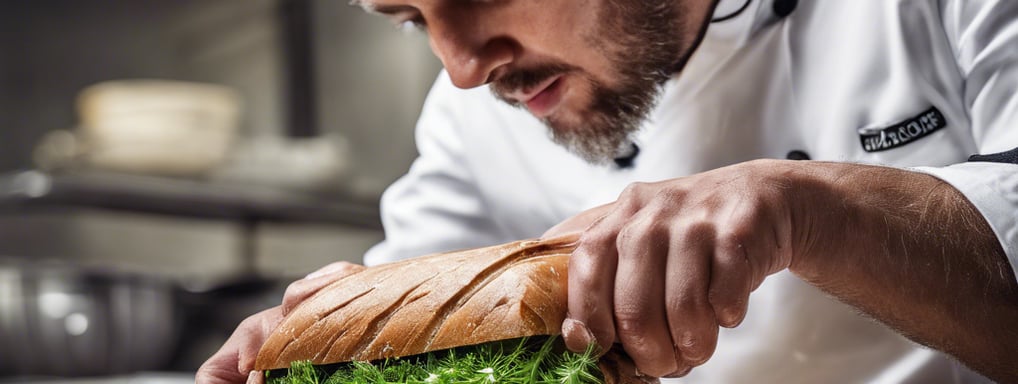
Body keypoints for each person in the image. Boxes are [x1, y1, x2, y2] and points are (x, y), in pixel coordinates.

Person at [197, 0, 1018, 383]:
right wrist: (325, 345)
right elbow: (417, 320)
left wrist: (810, 212)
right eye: (413, 20)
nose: (462, 68)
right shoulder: (470, 113)